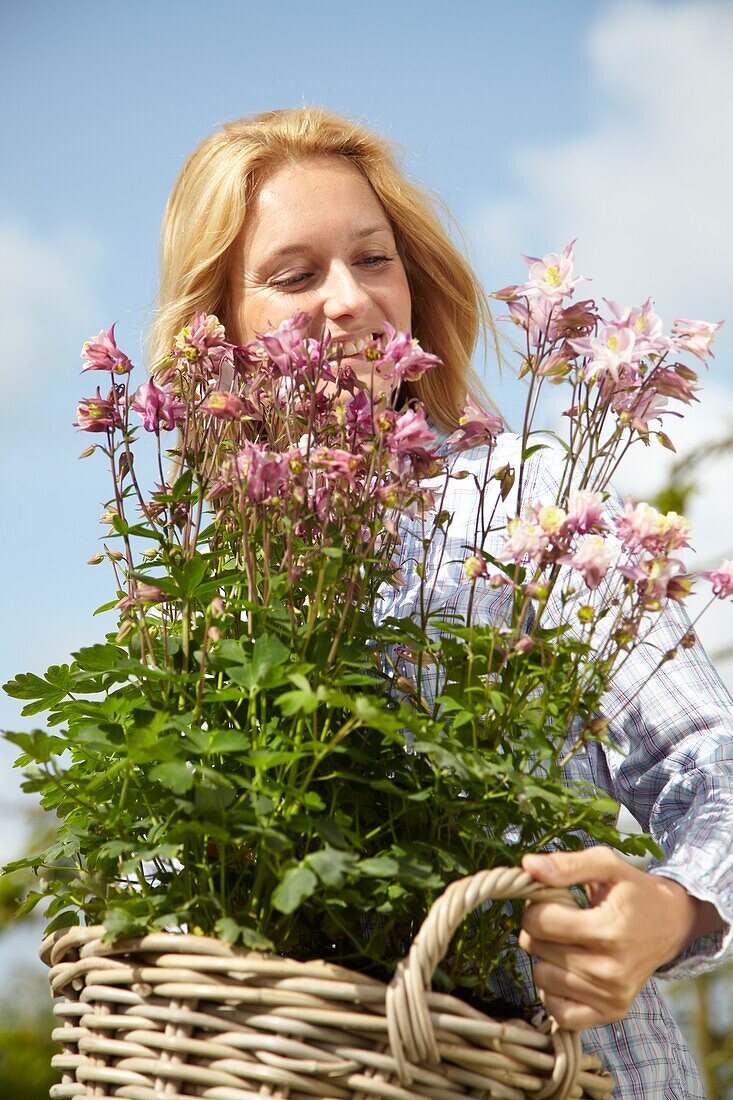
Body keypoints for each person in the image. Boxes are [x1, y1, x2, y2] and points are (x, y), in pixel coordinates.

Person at [148, 107, 732, 1097]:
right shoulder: (201, 574)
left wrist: (672, 909)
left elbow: (708, 758)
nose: (349, 300)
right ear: (218, 330)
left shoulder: (528, 507)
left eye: (374, 259)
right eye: (295, 275)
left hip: (558, 1070)